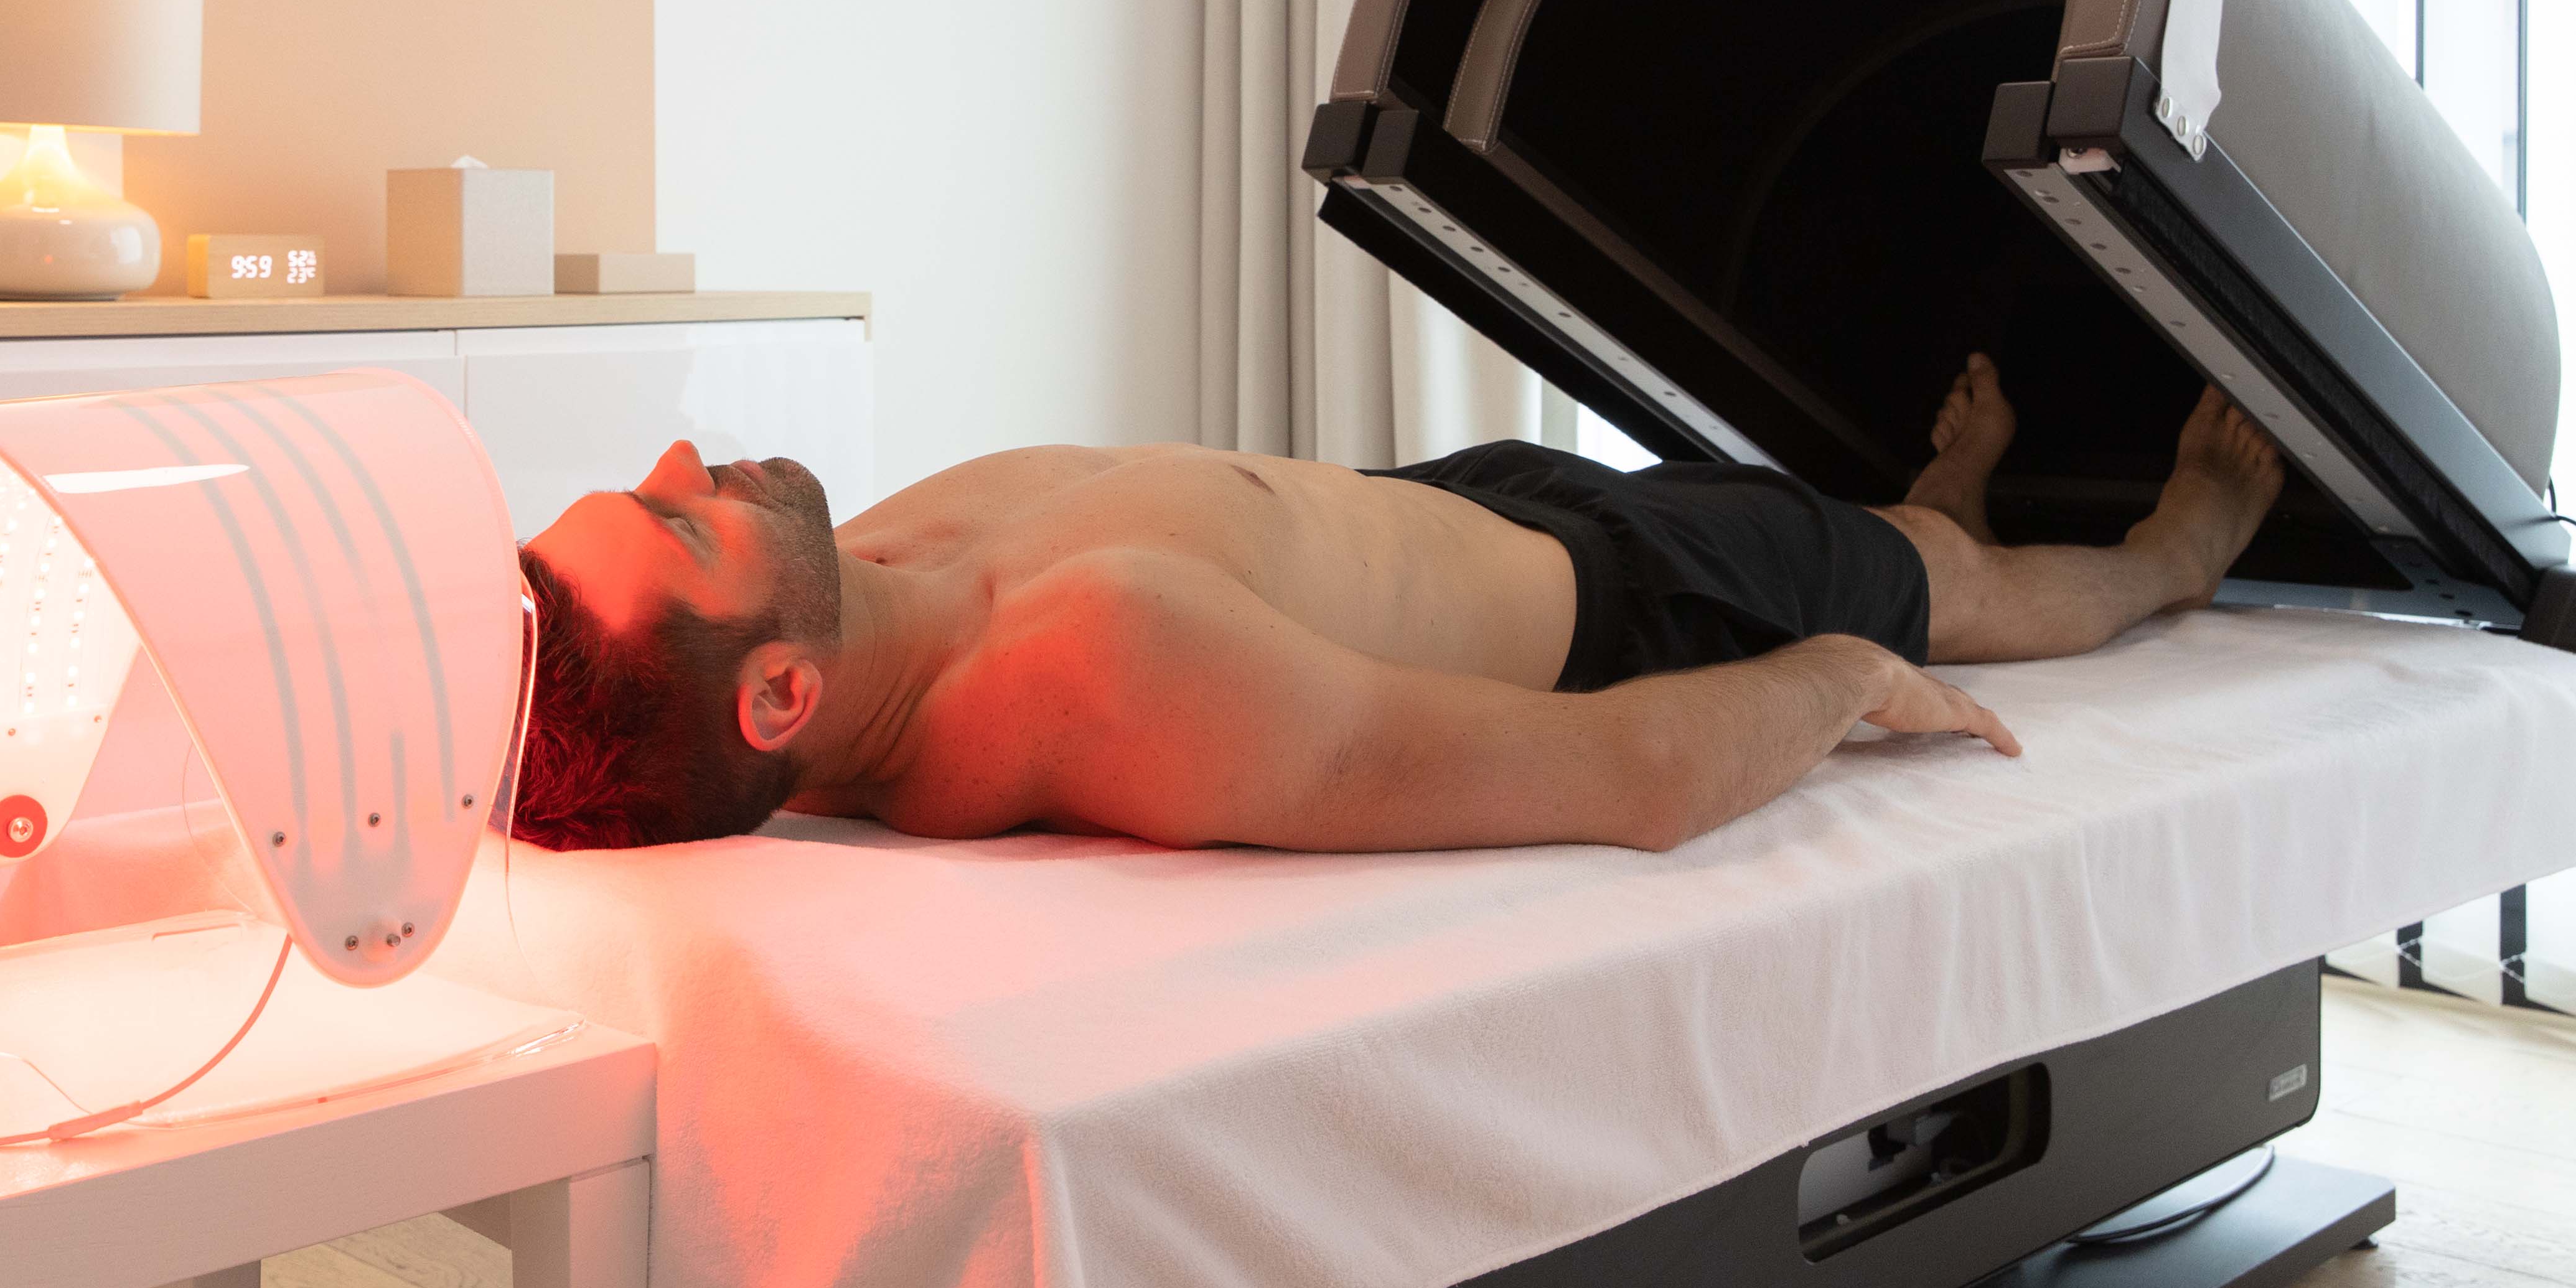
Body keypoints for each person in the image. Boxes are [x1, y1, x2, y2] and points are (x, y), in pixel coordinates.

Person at [509, 357, 2284, 855]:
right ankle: (2171, 554)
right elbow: (1630, 780)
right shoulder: (1096, 671)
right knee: (1947, 591)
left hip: (1435, 513)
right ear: (775, 699)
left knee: (1882, 529)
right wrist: (1839, 675)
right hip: (1625, 599)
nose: (683, 455)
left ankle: (1919, 517)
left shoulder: (847, 593)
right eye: (675, 521)